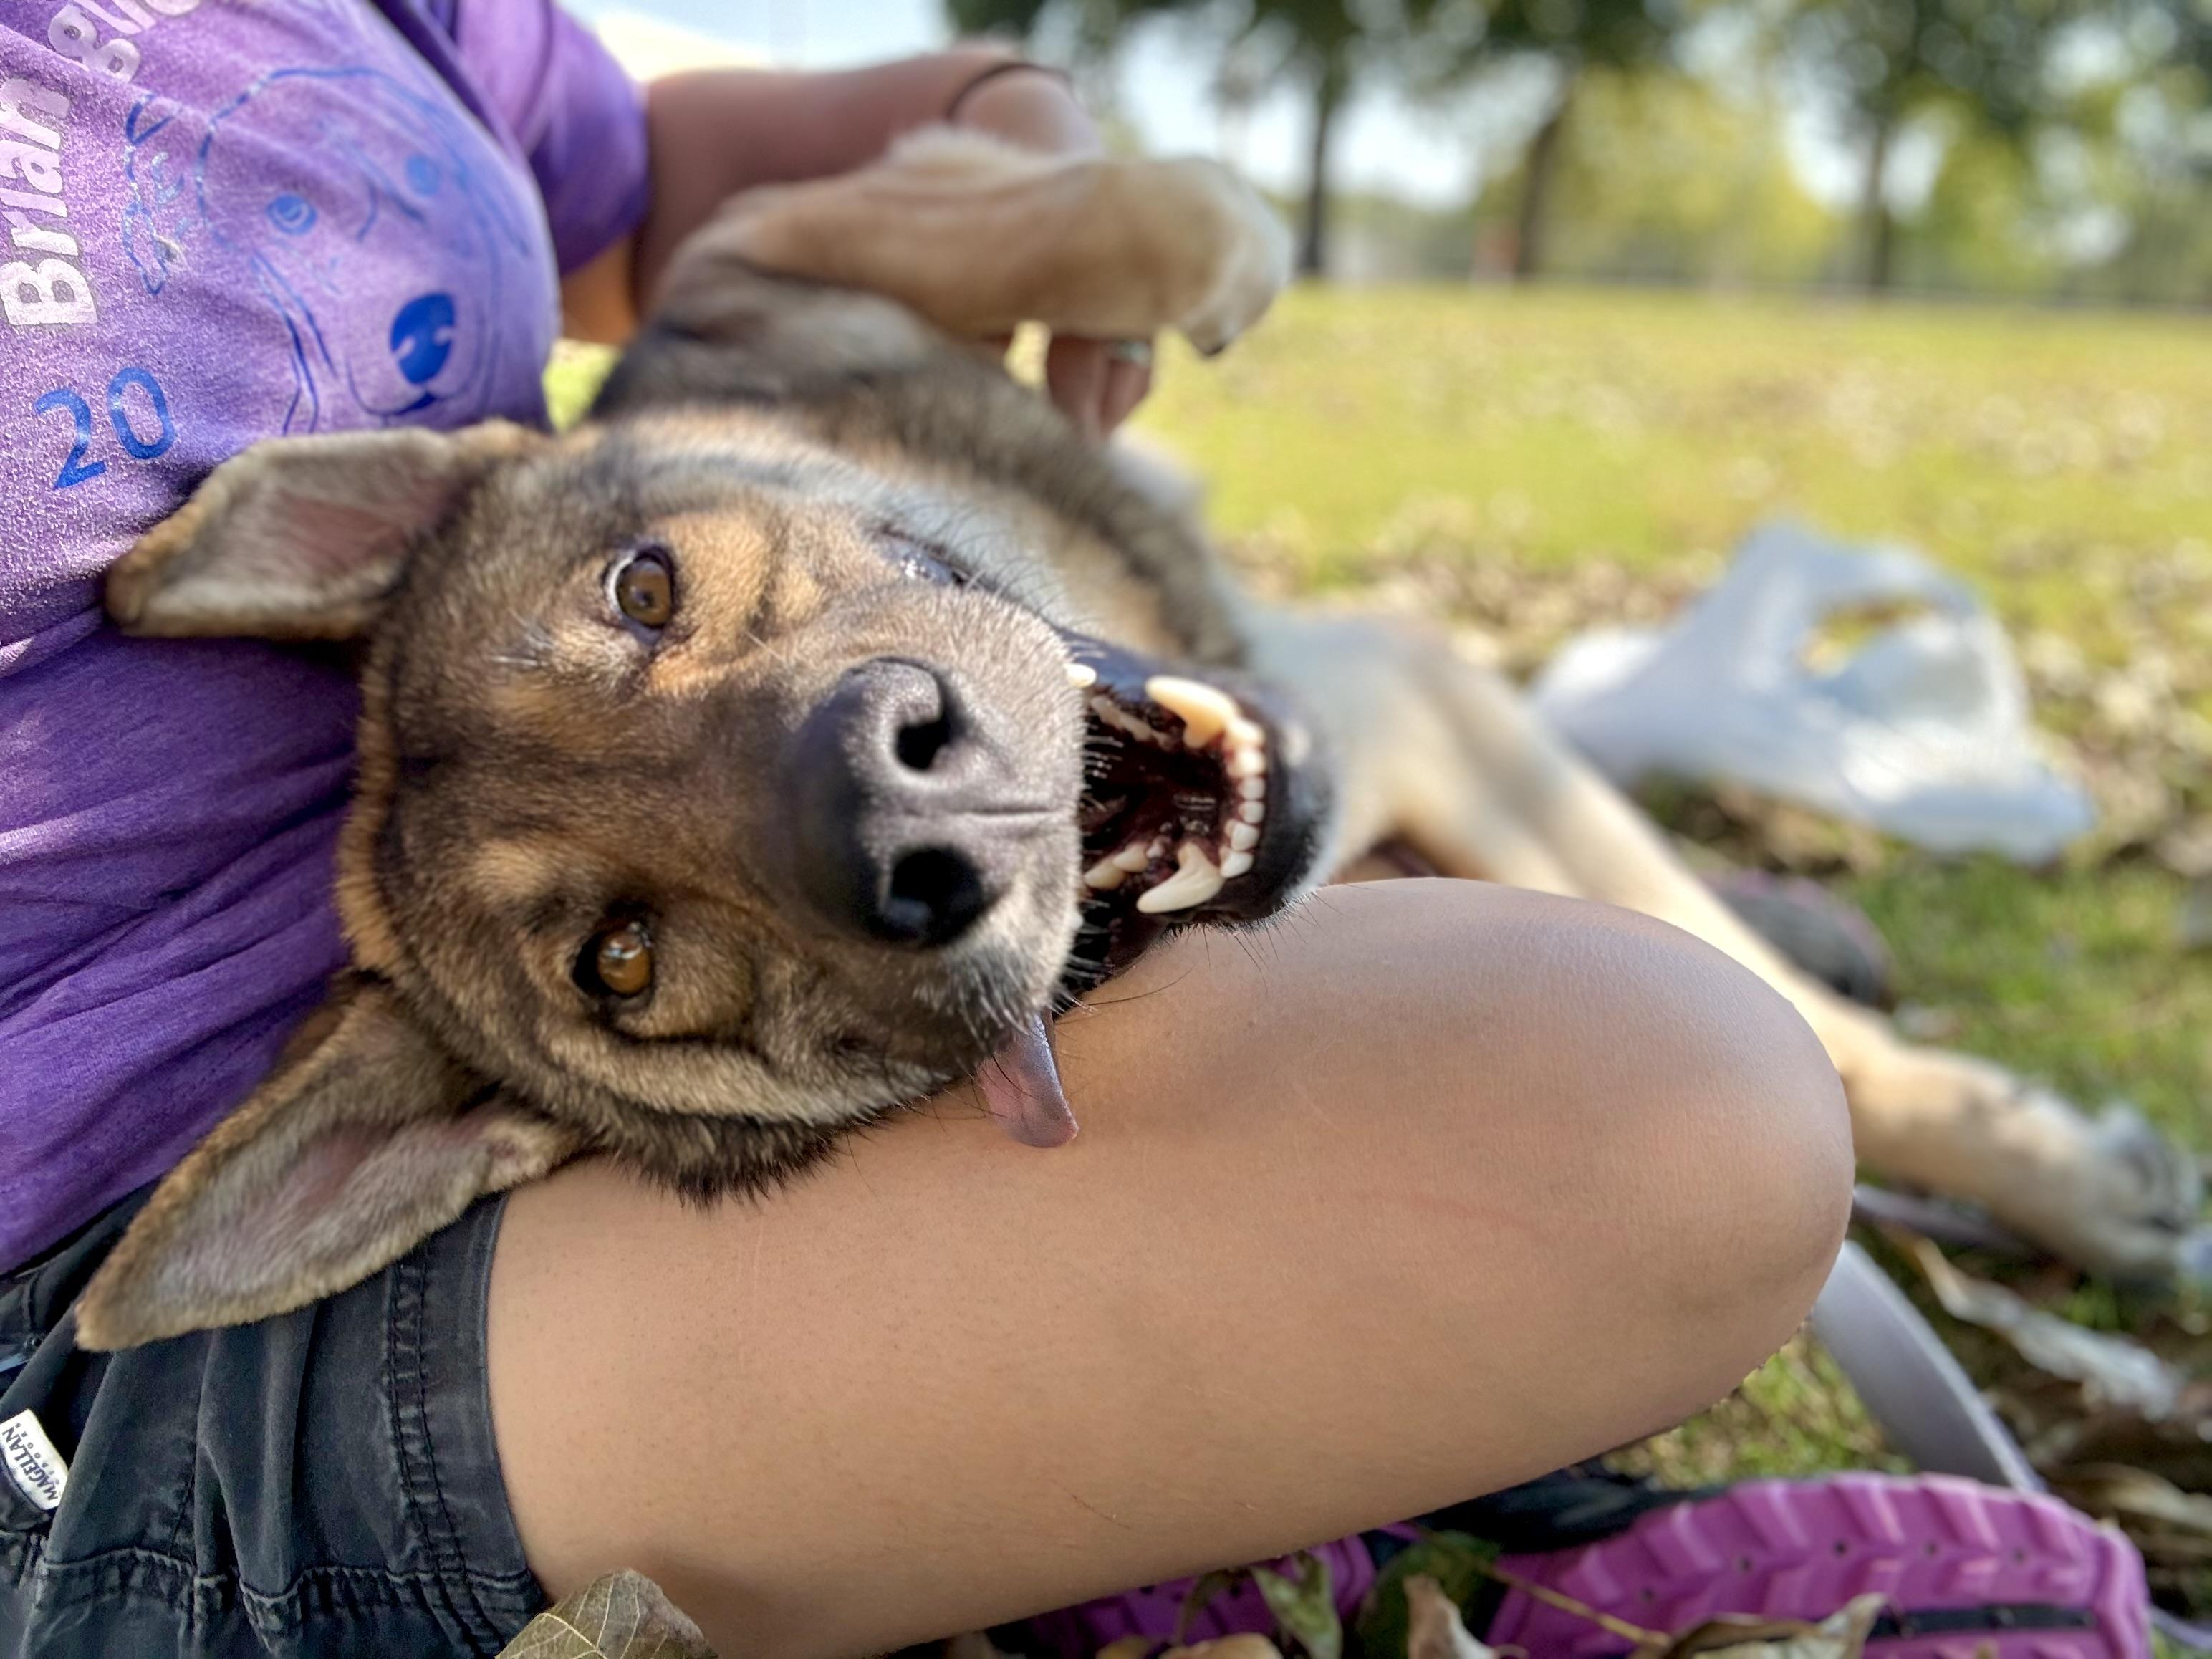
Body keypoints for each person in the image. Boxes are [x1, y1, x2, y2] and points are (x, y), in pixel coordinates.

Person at [0, 3, 1853, 1653]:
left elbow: (647, 183)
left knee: (1639, 1084)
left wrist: (1003, 141)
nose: (884, 787)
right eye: (622, 945)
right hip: (107, 1311)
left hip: (489, 1032)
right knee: (1663, 1128)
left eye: (652, 597)